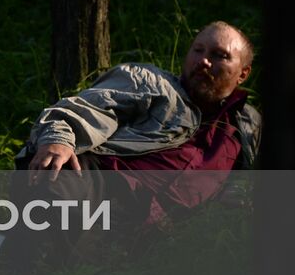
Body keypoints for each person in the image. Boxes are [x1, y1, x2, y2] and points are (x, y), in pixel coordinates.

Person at [21, 21, 262, 176]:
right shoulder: (150, 83)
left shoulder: (246, 124)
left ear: (243, 73)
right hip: (97, 186)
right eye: (198, 50)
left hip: (162, 231)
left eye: (219, 55)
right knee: (56, 174)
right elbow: (84, 110)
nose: (203, 61)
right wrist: (59, 140)